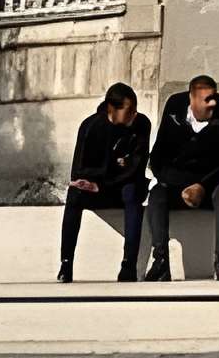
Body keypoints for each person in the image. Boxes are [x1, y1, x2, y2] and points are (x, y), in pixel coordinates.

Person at [145, 75, 219, 281]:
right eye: (207, 99)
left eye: (214, 97)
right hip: (177, 184)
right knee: (157, 194)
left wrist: (203, 186)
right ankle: (161, 261)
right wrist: (180, 185)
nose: (213, 103)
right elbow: (158, 158)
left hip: (208, 184)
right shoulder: (174, 107)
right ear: (192, 99)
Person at [58, 83, 150, 283]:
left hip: (122, 186)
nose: (134, 115)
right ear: (112, 109)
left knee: (132, 192)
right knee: (74, 195)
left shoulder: (142, 125)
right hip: (97, 188)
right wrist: (96, 180)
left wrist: (104, 180)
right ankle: (66, 263)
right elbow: (79, 169)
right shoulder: (91, 126)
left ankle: (128, 264)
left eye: (135, 110)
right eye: (129, 111)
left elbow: (136, 167)